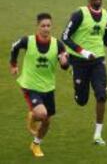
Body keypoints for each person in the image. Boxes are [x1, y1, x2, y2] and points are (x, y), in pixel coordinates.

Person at [61, 0, 107, 145]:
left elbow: (105, 38)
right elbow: (65, 37)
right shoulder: (79, 14)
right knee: (82, 101)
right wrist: (83, 52)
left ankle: (98, 135)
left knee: (102, 95)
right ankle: (74, 74)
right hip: (79, 61)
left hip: (98, 61)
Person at [10, 13, 69, 157]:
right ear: (37, 26)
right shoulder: (27, 41)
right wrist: (13, 64)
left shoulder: (58, 44)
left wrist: (64, 62)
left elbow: (65, 65)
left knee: (47, 121)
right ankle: (34, 115)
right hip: (30, 85)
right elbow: (14, 47)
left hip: (48, 87)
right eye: (43, 26)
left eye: (48, 26)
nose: (46, 28)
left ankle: (36, 144)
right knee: (42, 114)